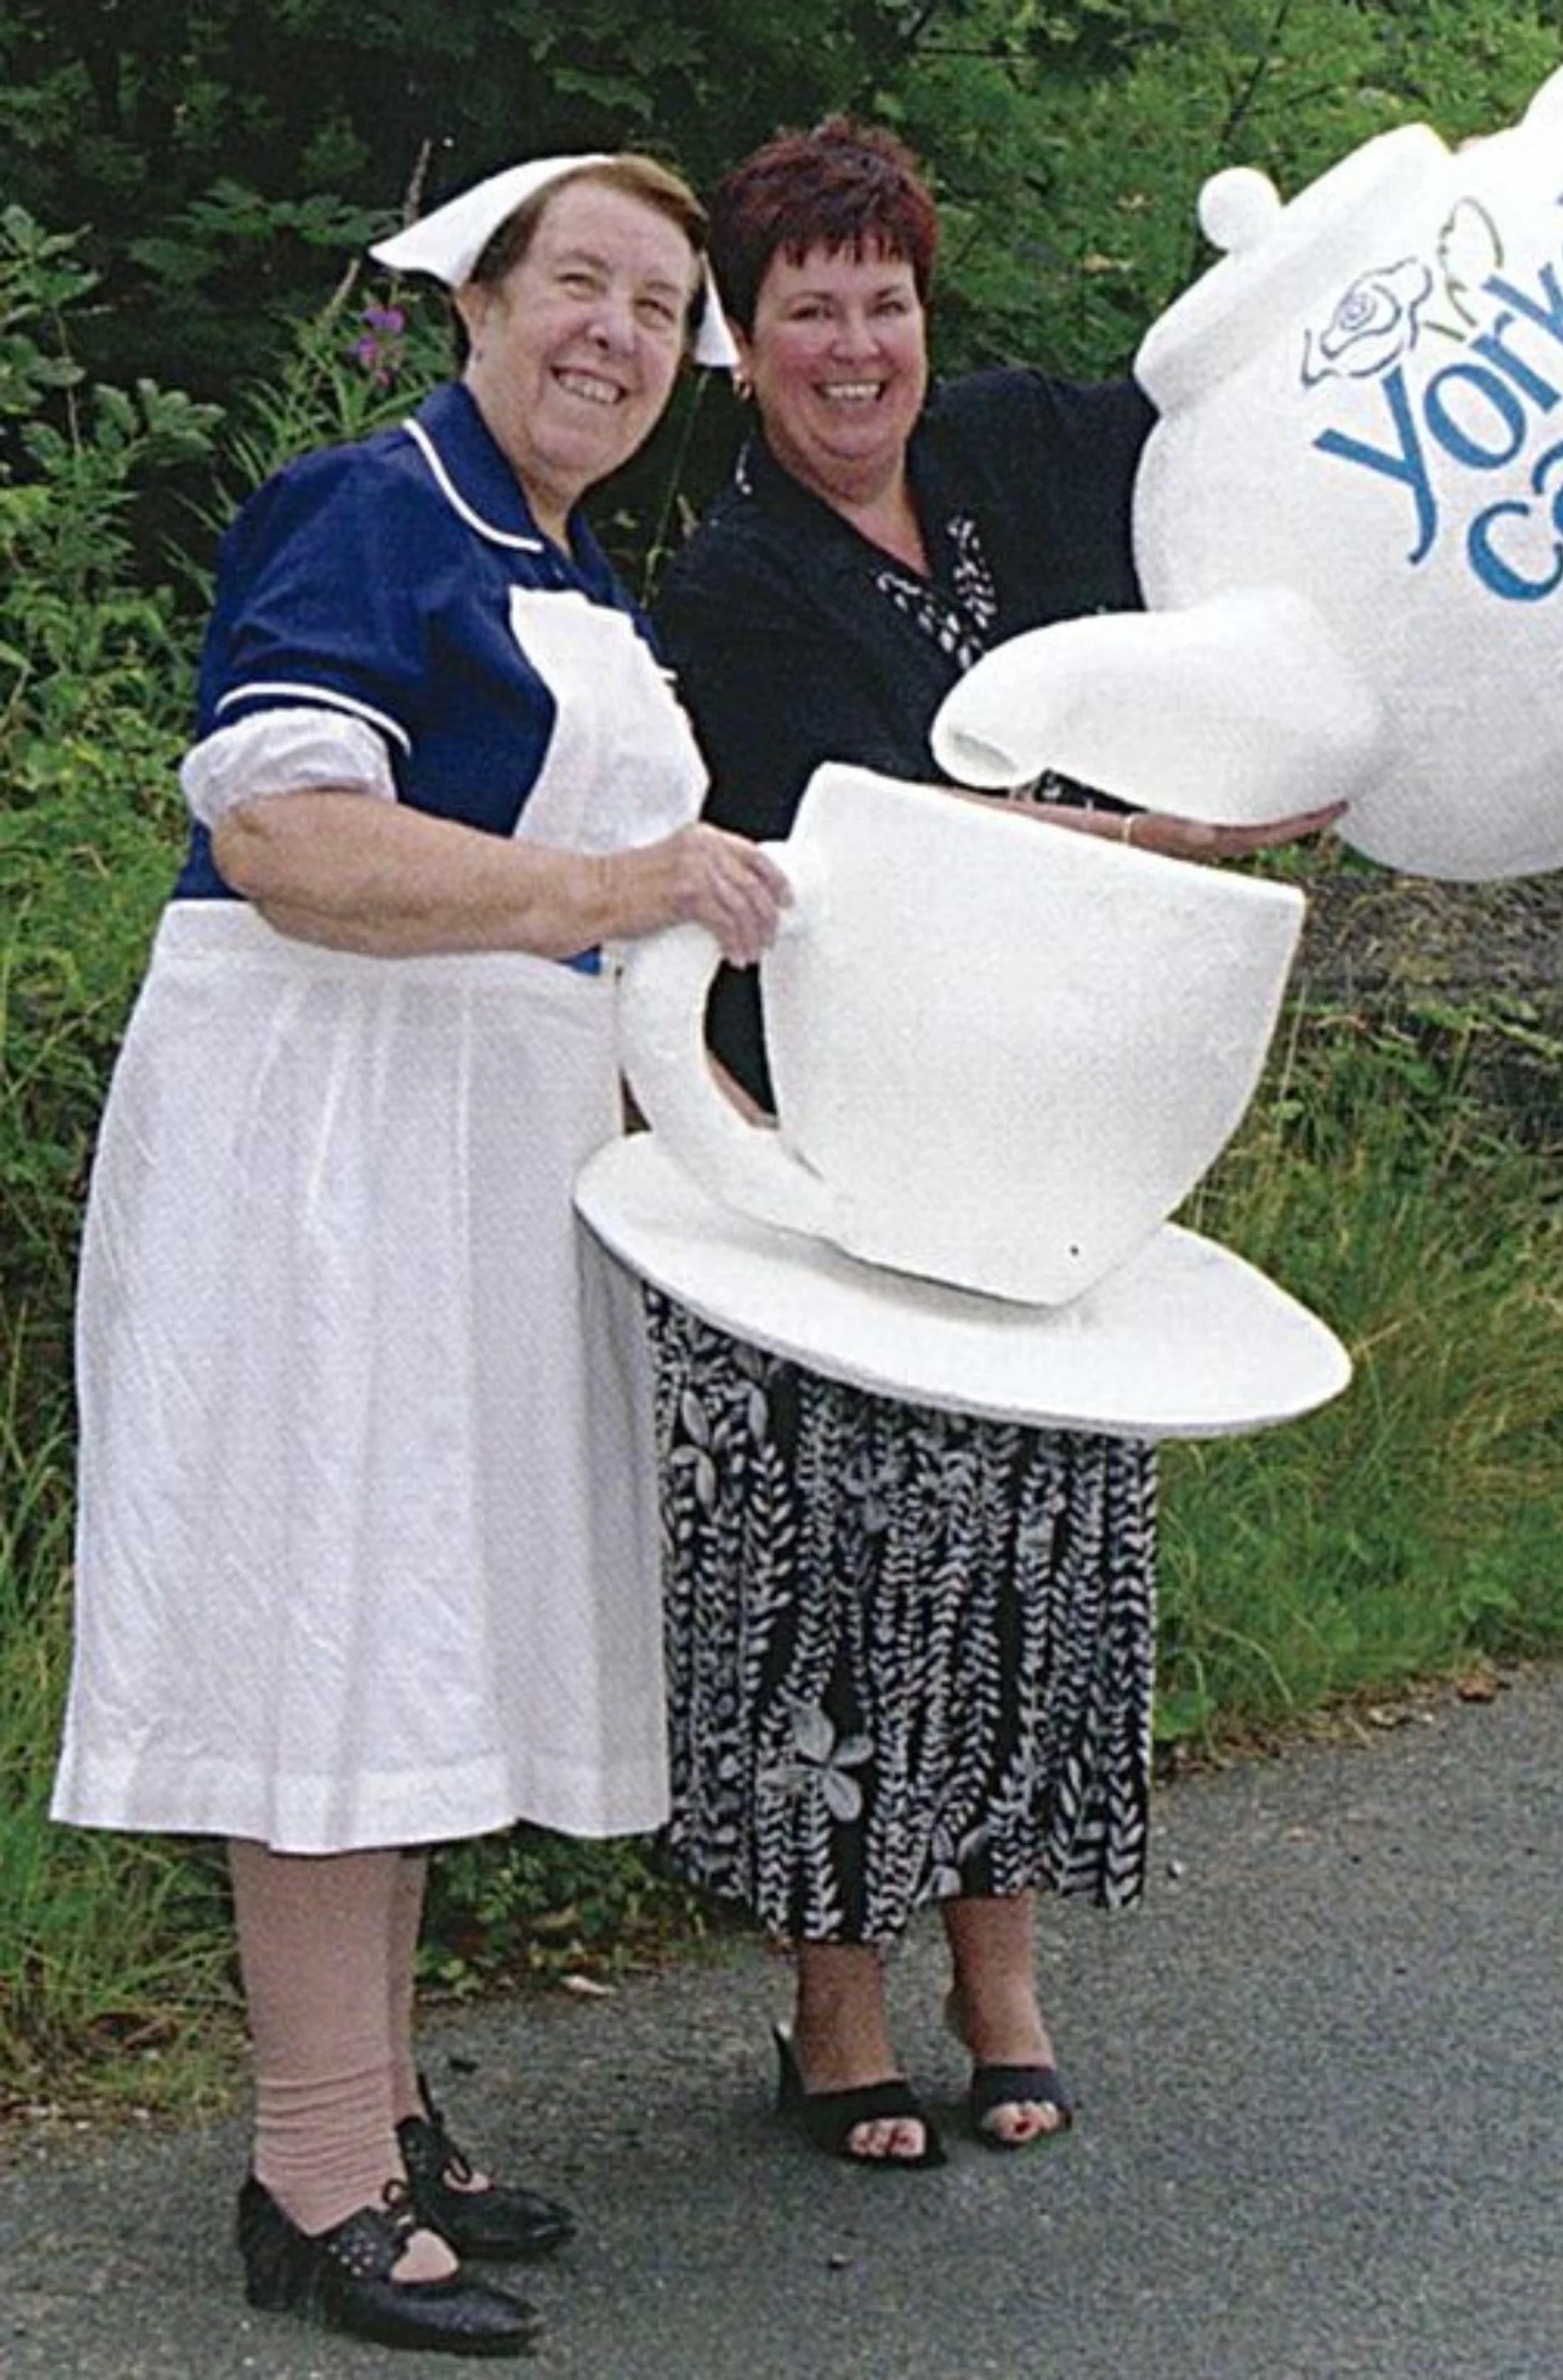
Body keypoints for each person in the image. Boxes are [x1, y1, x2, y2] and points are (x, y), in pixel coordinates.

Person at [51, 152, 786, 2354]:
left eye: (663, 310)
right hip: (323, 1138)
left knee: (412, 1624)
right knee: (330, 1622)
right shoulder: (372, 510)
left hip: (470, 1138)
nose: (619, 335)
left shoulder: (565, 563)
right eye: (583, 283)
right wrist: (626, 886)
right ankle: (308, 2169)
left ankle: (376, 2111)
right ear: (476, 296)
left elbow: (606, 914)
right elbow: (282, 833)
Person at [649, 117, 1339, 2168]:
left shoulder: (1027, 454)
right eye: (807, 311)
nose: (853, 347)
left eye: (883, 301)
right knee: (833, 1576)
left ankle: (1001, 1979)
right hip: (821, 1139)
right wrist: (1173, 834)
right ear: (744, 348)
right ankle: (834, 2009)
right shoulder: (735, 583)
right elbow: (887, 839)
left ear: (923, 316)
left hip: (1058, 1126)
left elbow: (1239, 430)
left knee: (1036, 1549)